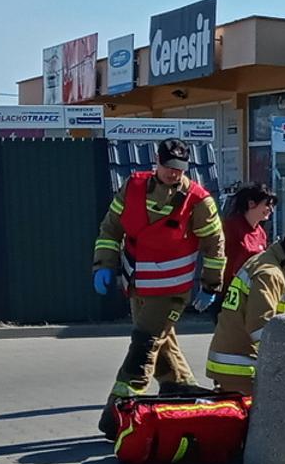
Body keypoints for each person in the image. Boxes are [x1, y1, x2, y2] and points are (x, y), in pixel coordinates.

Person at [92, 137, 228, 439]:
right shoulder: (133, 186)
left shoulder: (198, 200)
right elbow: (111, 227)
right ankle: (178, 385)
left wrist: (210, 284)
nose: (173, 173)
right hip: (137, 283)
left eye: (179, 169)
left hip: (171, 288)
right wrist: (103, 264)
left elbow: (215, 246)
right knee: (161, 340)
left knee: (144, 343)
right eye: (168, 167)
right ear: (157, 162)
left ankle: (118, 411)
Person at [206, 225, 285, 395]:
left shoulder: (265, 261)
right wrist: (282, 361)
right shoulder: (270, 274)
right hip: (242, 366)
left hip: (230, 360)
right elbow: (260, 326)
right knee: (264, 417)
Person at [221, 183, 277, 281]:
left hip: (247, 290)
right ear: (251, 203)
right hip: (225, 289)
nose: (271, 210)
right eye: (267, 204)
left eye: (272, 205)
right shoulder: (231, 227)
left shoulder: (261, 234)